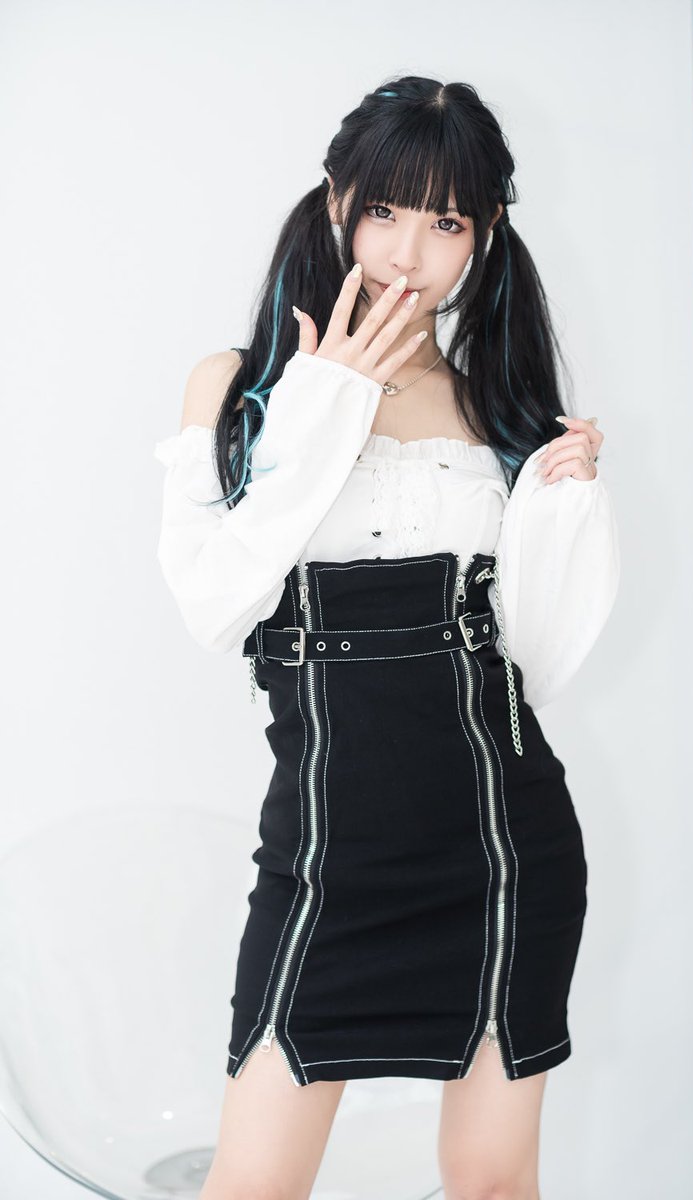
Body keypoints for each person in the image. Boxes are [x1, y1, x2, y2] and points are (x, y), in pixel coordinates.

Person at [154, 75, 620, 1200]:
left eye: (445, 221)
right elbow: (215, 606)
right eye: (384, 211)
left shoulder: (496, 408)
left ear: (484, 233)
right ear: (336, 204)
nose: (409, 252)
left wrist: (563, 505)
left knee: (491, 1183)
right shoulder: (239, 386)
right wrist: (326, 404)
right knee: (251, 1187)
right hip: (324, 853)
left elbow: (536, 661)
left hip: (501, 842)